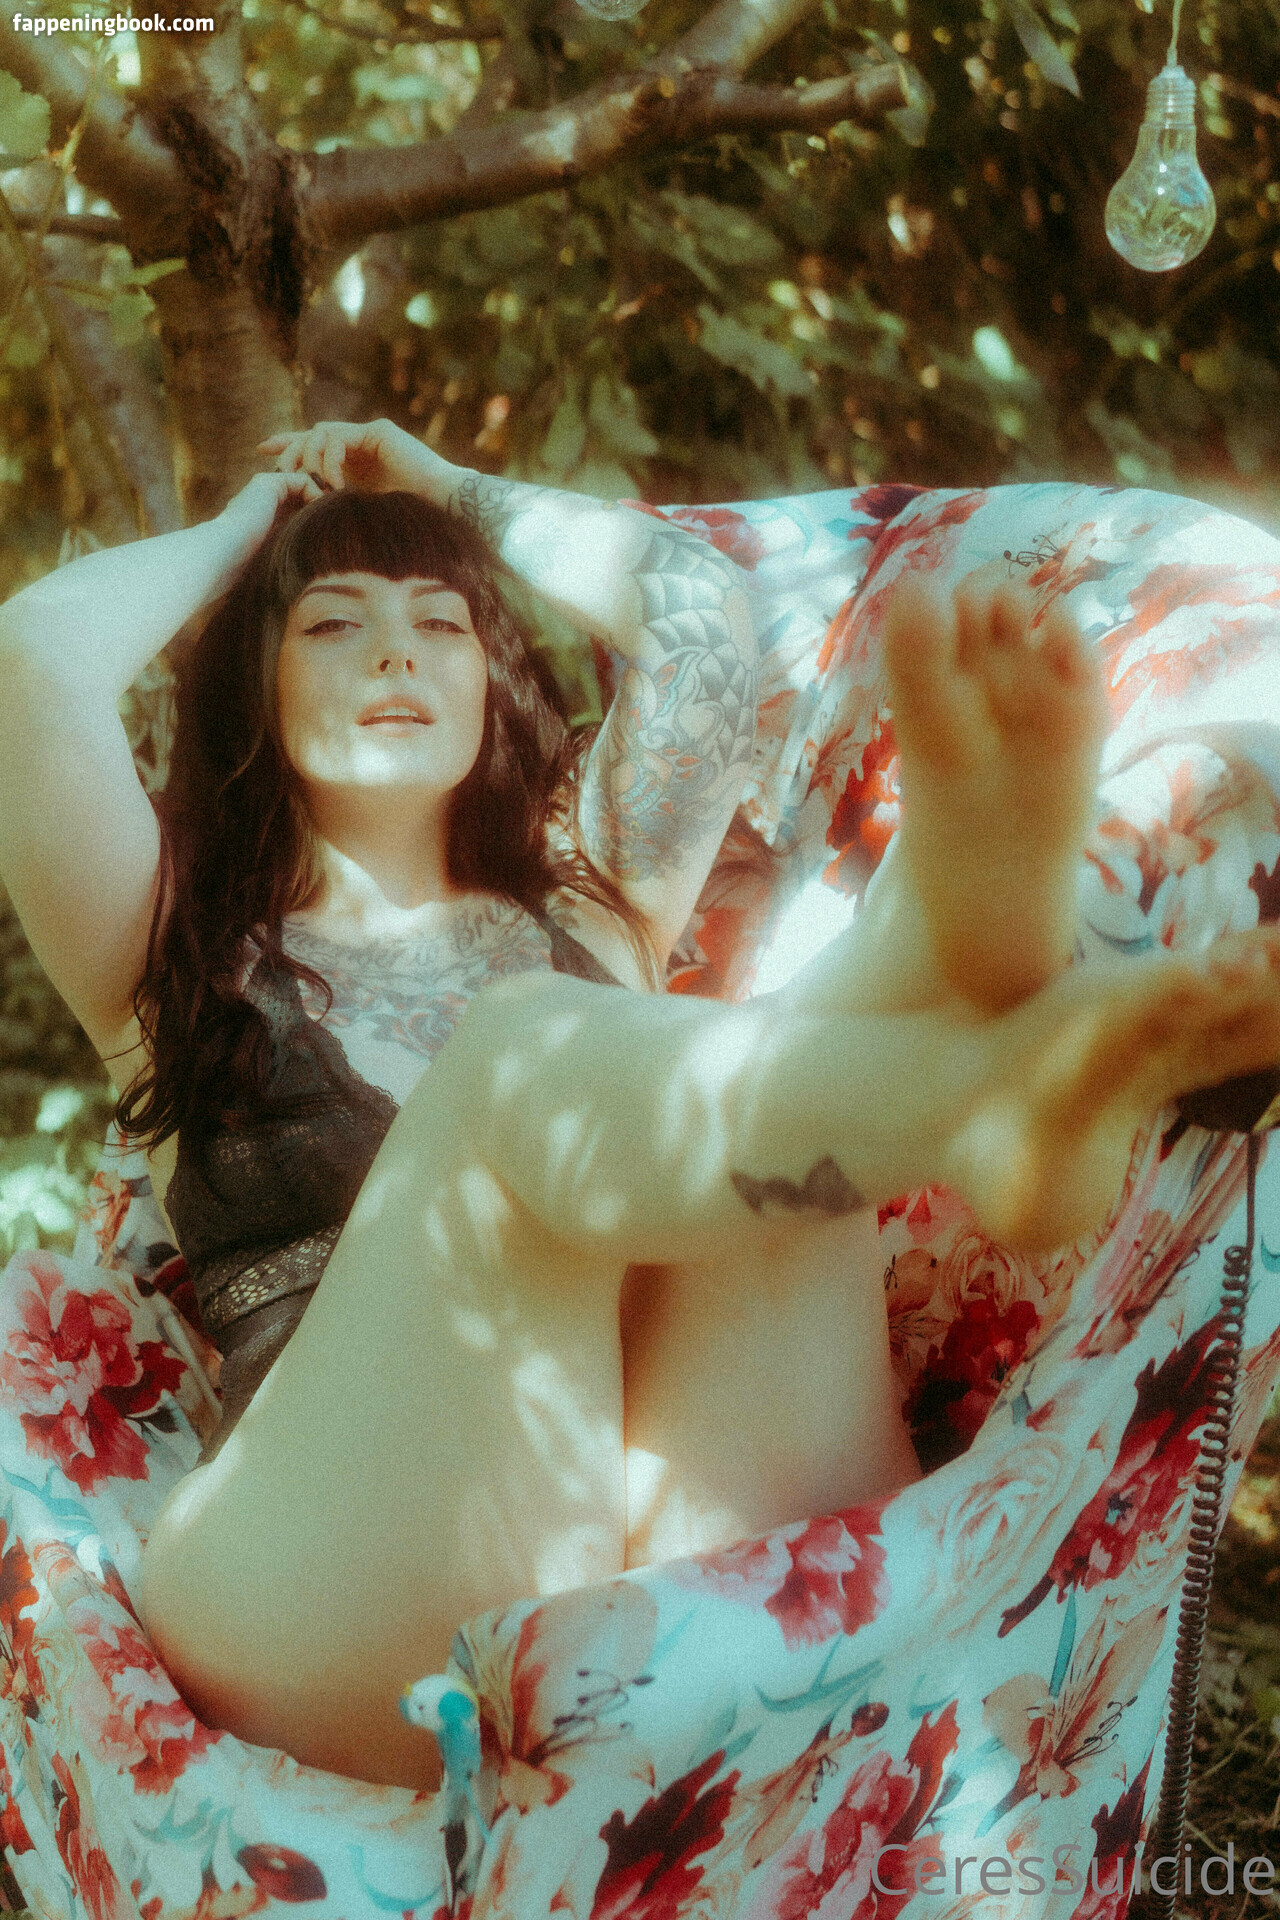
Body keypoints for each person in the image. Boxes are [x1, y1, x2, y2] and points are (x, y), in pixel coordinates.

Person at [2, 419, 1279, 1795]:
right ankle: (963, 1056)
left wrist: (444, 484)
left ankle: (945, 943)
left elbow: (697, 611)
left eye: (440, 624)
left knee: (754, 1112)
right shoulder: (175, 942)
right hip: (323, 1579)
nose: (395, 654)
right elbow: (29, 666)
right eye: (332, 623)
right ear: (256, 682)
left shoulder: (594, 898)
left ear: (491, 682)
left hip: (651, 1556)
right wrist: (250, 522)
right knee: (529, 1056)